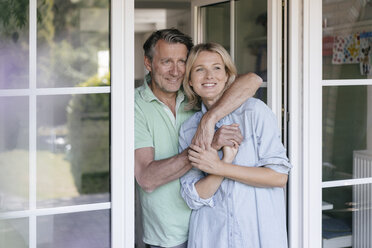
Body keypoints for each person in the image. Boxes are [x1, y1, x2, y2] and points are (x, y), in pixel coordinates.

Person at [135, 29, 262, 248]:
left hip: (215, 227)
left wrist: (208, 119)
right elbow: (147, 179)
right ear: (148, 63)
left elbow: (253, 80)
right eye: (166, 62)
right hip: (170, 237)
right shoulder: (134, 106)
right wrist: (207, 143)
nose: (176, 72)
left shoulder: (196, 91)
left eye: (182, 62)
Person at [179, 42, 292, 248]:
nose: (209, 76)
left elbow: (279, 177)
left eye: (216, 68)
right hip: (213, 237)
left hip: (257, 236)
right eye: (199, 69)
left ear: (227, 75)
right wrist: (225, 161)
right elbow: (195, 198)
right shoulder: (188, 129)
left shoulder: (254, 112)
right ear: (190, 81)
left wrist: (220, 166)